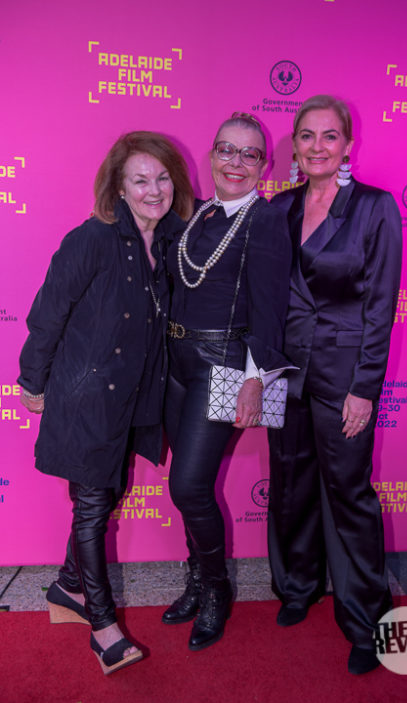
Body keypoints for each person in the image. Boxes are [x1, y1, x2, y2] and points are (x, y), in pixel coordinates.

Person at [18, 131, 194, 675]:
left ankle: (69, 585)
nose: (154, 190)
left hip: (135, 396)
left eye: (162, 178)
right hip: (88, 395)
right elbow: (47, 315)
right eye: (140, 180)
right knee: (93, 507)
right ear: (118, 186)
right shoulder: (90, 239)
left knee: (109, 493)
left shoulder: (171, 240)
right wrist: (32, 382)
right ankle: (102, 625)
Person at [267, 95, 402, 675]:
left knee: (348, 493)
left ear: (347, 144)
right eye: (306, 135)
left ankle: (366, 619)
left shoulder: (374, 208)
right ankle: (298, 586)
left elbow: (381, 304)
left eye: (329, 136)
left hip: (344, 374)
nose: (317, 146)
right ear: (294, 146)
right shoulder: (280, 207)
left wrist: (364, 387)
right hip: (284, 371)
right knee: (290, 483)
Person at [162, 113, 292, 651]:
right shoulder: (194, 212)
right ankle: (196, 578)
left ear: (265, 165)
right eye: (226, 150)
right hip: (175, 362)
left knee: (189, 486)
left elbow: (272, 305)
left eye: (249, 154)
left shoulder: (266, 220)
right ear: (211, 154)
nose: (236, 163)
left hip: (224, 363)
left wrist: (256, 379)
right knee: (186, 482)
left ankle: (216, 588)